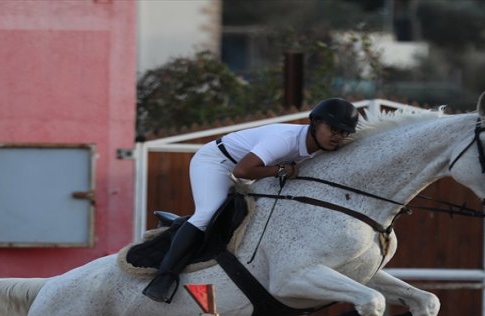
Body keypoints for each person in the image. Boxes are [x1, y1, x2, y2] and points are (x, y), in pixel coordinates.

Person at [142, 97, 360, 303]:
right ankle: (163, 278)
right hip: (216, 161)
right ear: (315, 123)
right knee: (208, 213)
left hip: (246, 167)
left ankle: (179, 225)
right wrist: (283, 169)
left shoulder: (319, 147)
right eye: (333, 129)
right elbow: (243, 170)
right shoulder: (285, 139)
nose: (338, 137)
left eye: (344, 132)